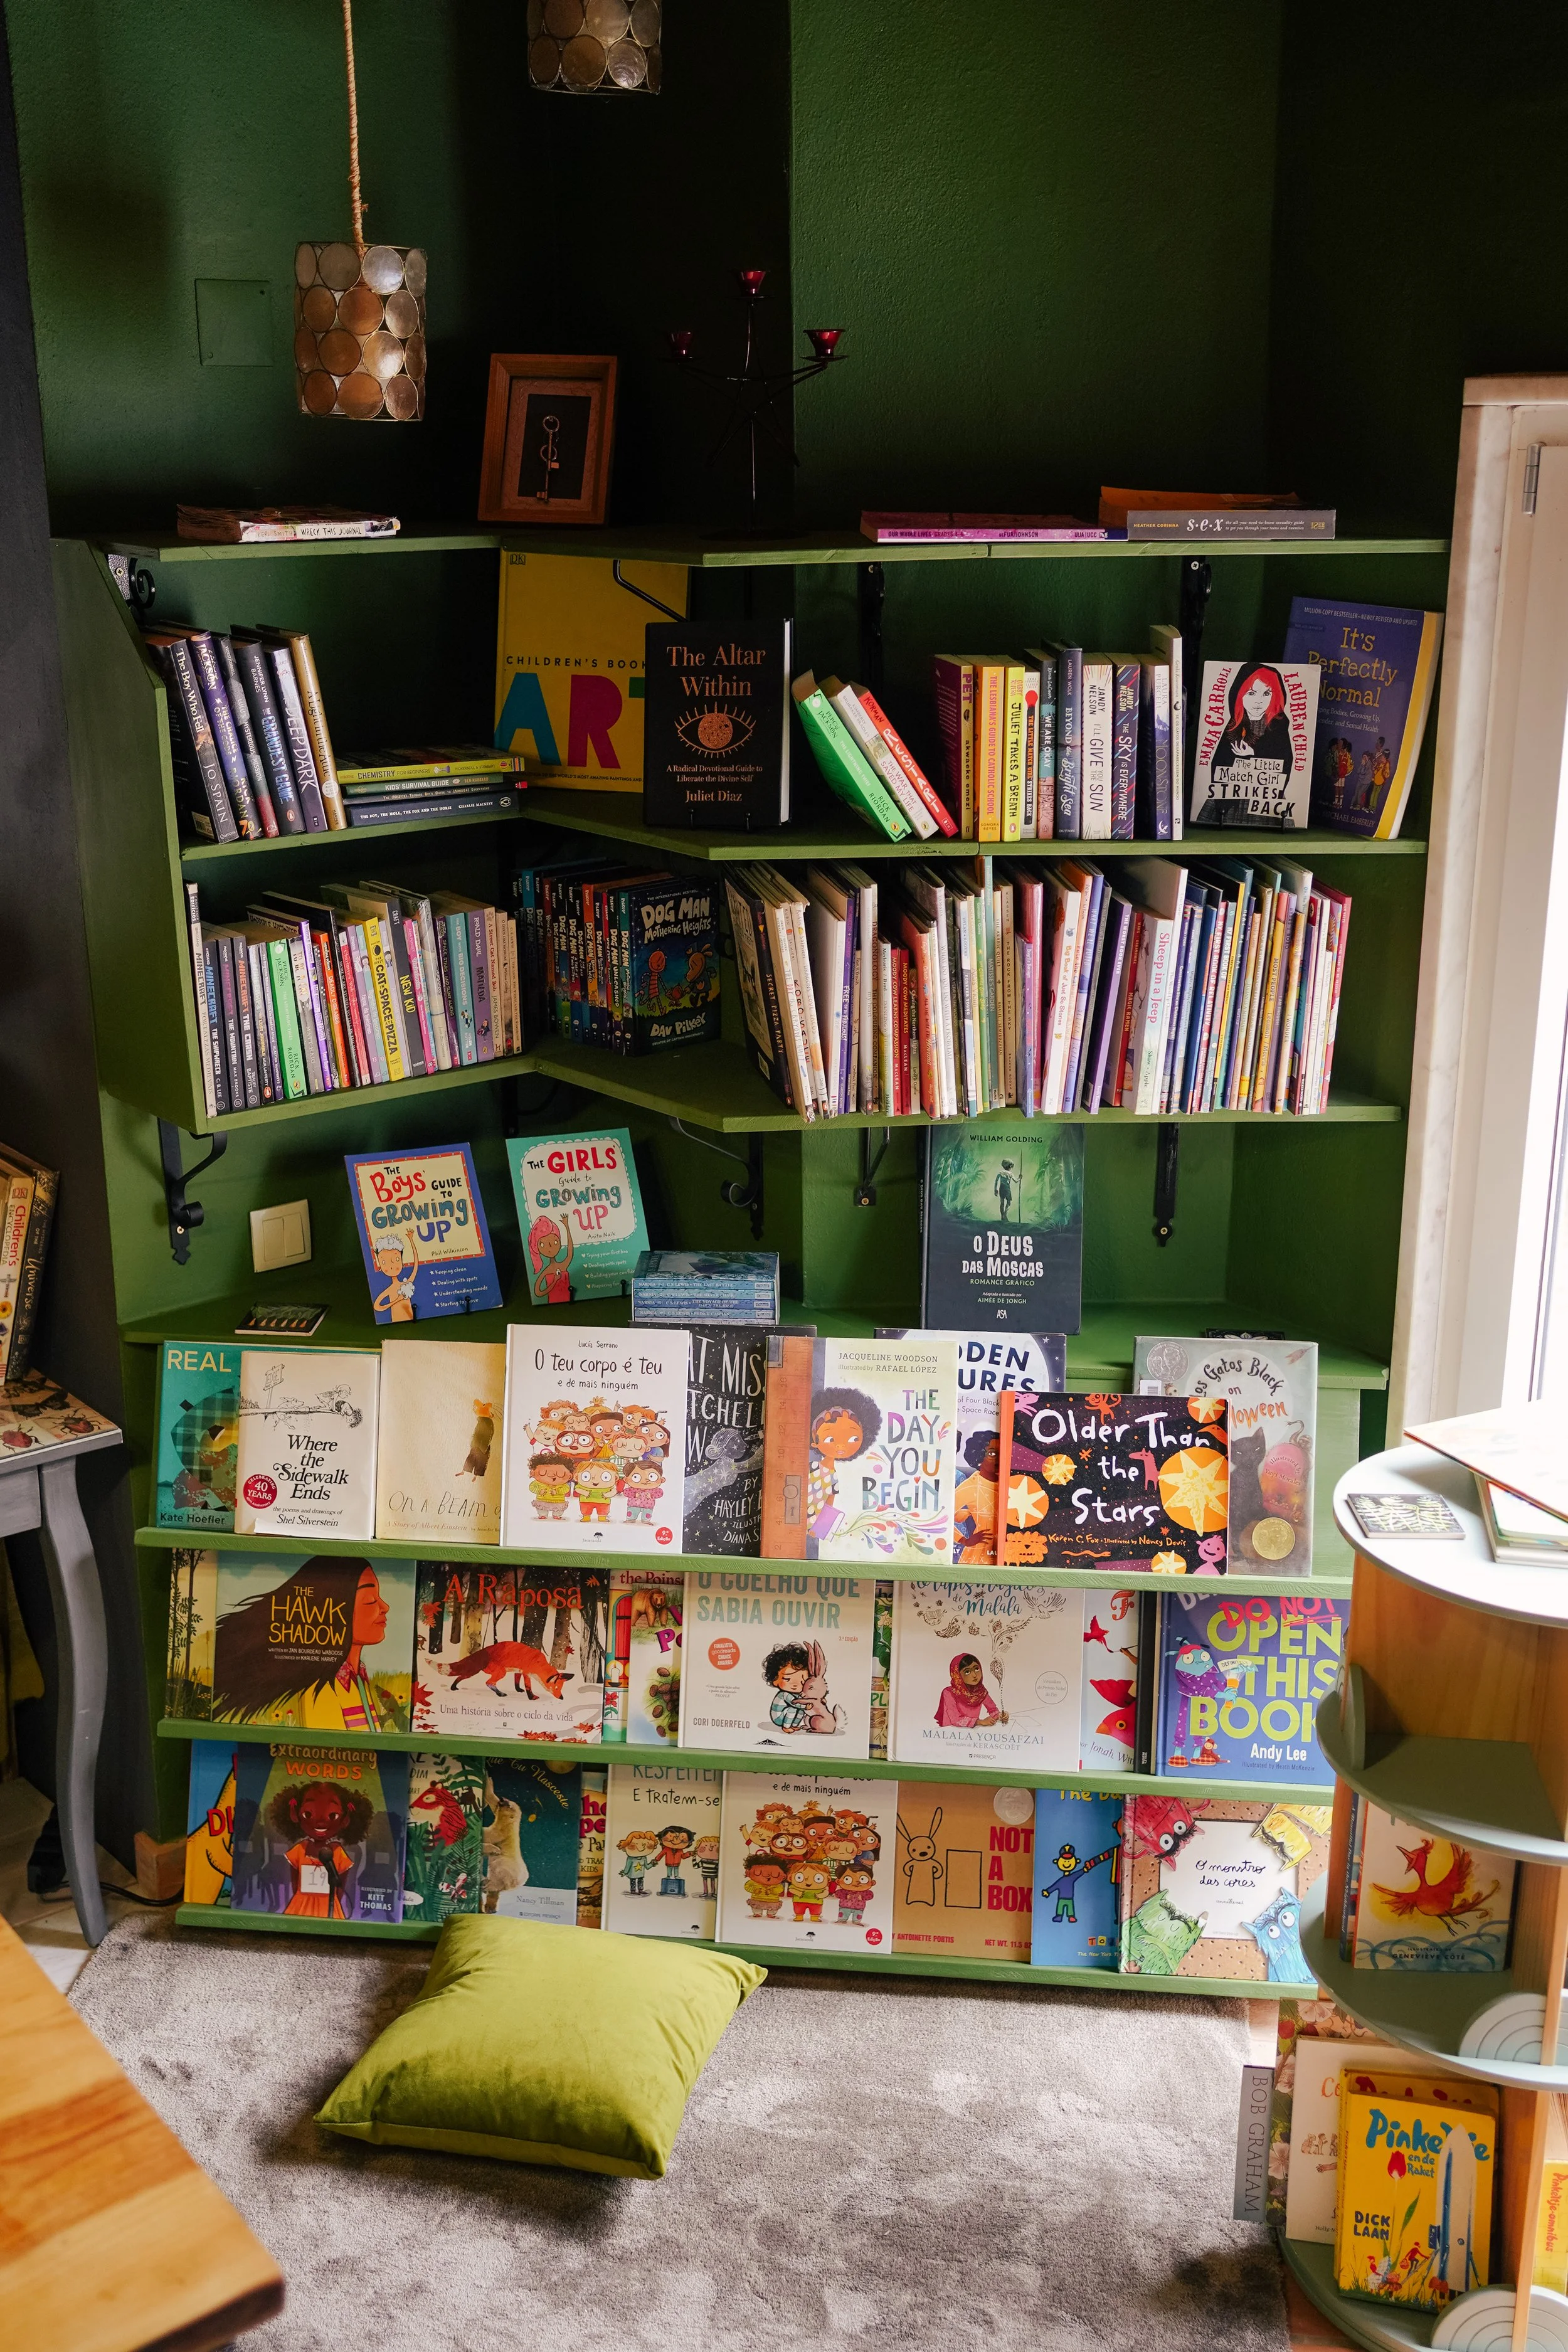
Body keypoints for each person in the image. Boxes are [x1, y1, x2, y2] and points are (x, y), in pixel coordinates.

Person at [213, 1557, 395, 1731]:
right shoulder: (321, 1687)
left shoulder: (357, 1678)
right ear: (335, 1609)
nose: (385, 1606)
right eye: (370, 1600)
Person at [267, 1778, 374, 1919]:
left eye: (333, 1815)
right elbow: (295, 1882)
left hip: (329, 1905)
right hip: (300, 1905)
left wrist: (333, 1902)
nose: (320, 1823)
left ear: (346, 1819)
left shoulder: (338, 1852)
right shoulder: (300, 1850)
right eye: (308, 1814)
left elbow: (340, 1887)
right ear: (295, 1815)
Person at [934, 1651, 1006, 1730]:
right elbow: (956, 1720)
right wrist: (980, 1722)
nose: (975, 1675)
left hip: (972, 1732)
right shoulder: (949, 1693)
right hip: (952, 1732)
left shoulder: (980, 1691)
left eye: (976, 1669)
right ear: (957, 1675)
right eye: (967, 1672)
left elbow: (993, 1709)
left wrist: (1000, 1716)